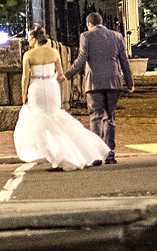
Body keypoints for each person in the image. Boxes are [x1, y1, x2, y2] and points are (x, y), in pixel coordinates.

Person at [14, 27, 109, 171]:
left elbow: (25, 77)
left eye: (29, 38)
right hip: (51, 86)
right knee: (56, 119)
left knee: (40, 122)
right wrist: (61, 94)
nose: (28, 41)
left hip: (36, 88)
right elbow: (60, 75)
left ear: (34, 38)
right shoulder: (54, 52)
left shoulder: (28, 55)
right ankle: (78, 154)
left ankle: (57, 158)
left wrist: (23, 95)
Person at [66, 11, 132, 161]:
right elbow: (124, 61)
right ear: (102, 22)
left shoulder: (86, 36)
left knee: (95, 116)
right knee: (110, 117)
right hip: (113, 82)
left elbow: (82, 59)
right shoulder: (117, 36)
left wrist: (67, 75)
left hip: (94, 82)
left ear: (89, 23)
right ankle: (110, 153)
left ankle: (96, 153)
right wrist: (129, 82)